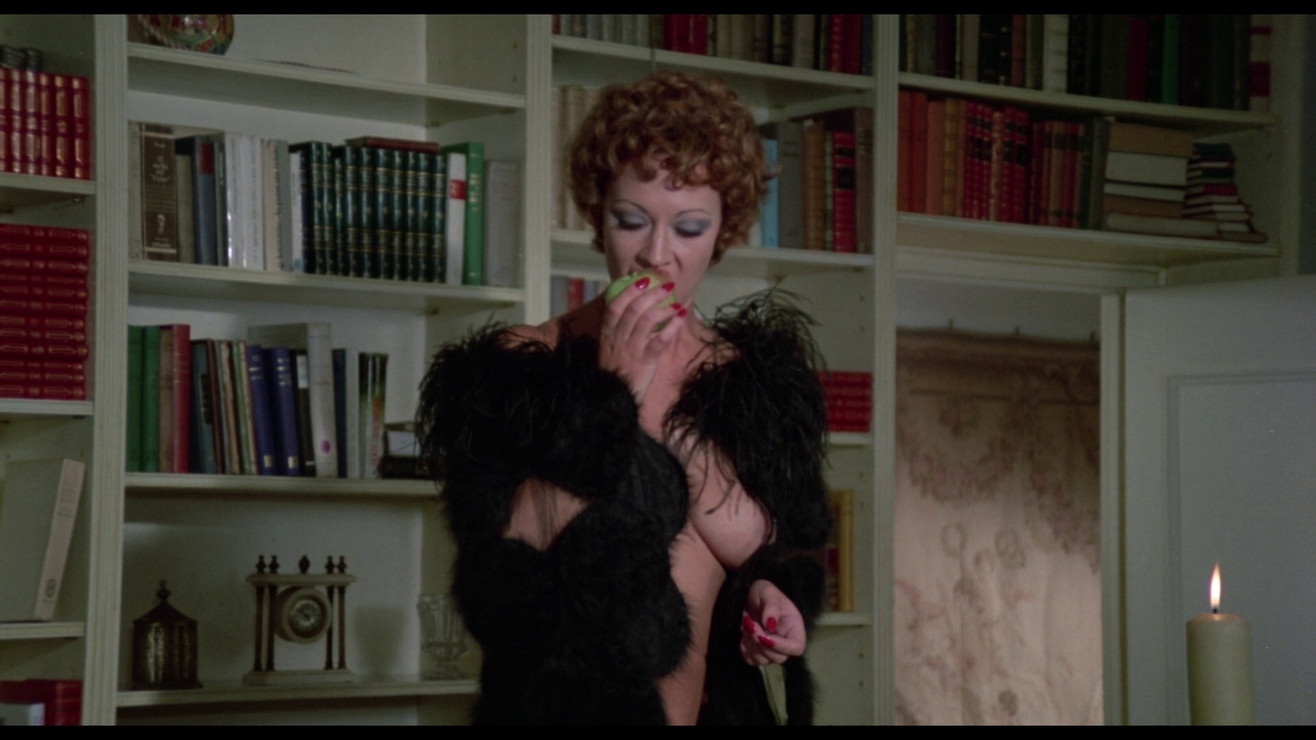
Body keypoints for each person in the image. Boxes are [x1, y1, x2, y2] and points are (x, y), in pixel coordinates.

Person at [416, 71, 831, 725]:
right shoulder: (521, 367)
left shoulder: (755, 385)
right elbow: (499, 572)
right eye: (631, 221)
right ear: (597, 214)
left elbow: (785, 547)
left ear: (723, 229)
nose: (656, 256)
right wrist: (615, 391)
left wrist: (775, 603)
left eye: (689, 228)